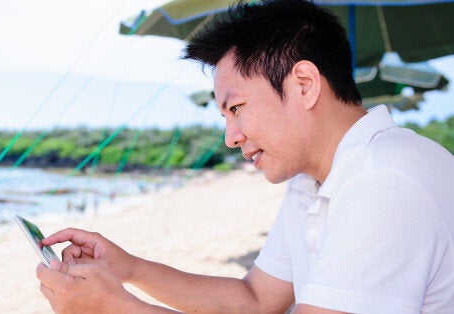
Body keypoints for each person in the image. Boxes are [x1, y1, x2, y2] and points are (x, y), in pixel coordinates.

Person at [35, 0, 454, 313]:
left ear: (304, 85)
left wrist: (114, 308)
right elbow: (254, 300)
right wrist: (129, 269)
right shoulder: (315, 179)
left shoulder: (385, 179)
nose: (230, 137)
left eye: (236, 109)